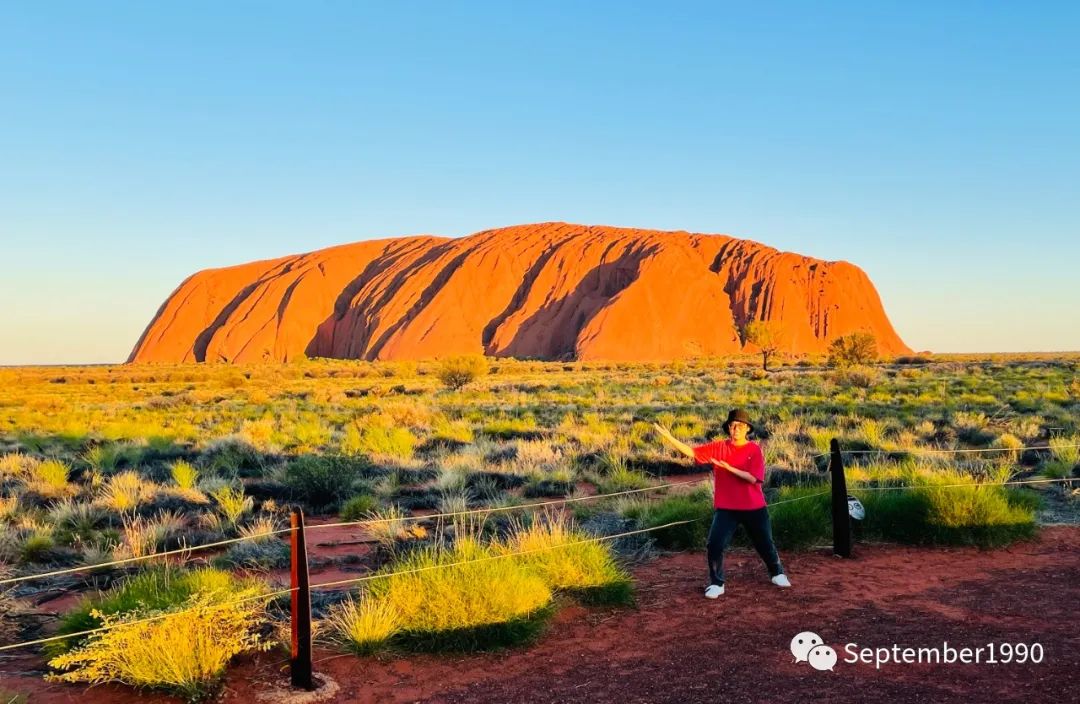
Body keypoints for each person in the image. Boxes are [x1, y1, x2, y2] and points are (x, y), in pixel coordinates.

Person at [653, 408, 791, 598]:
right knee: (715, 544)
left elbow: (753, 478)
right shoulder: (719, 447)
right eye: (732, 426)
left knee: (765, 543)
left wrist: (729, 468)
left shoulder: (754, 450)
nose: (735, 429)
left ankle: (777, 572)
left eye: (740, 426)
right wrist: (670, 437)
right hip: (726, 508)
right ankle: (717, 583)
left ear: (747, 429)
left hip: (754, 507)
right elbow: (692, 453)